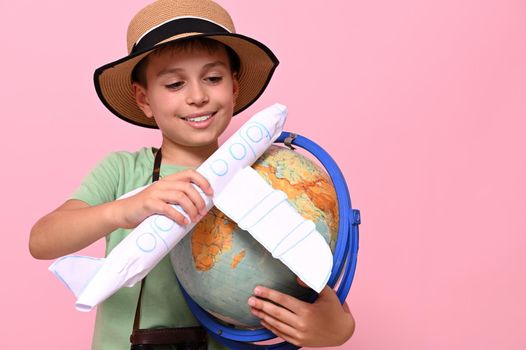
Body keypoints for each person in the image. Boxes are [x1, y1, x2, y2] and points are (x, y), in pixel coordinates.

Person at [29, 0, 355, 349]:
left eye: (213, 79)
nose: (197, 97)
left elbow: (310, 263)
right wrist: (123, 209)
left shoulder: (268, 173)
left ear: (234, 86)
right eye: (174, 85)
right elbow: (42, 240)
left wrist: (338, 328)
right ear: (143, 99)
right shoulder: (124, 171)